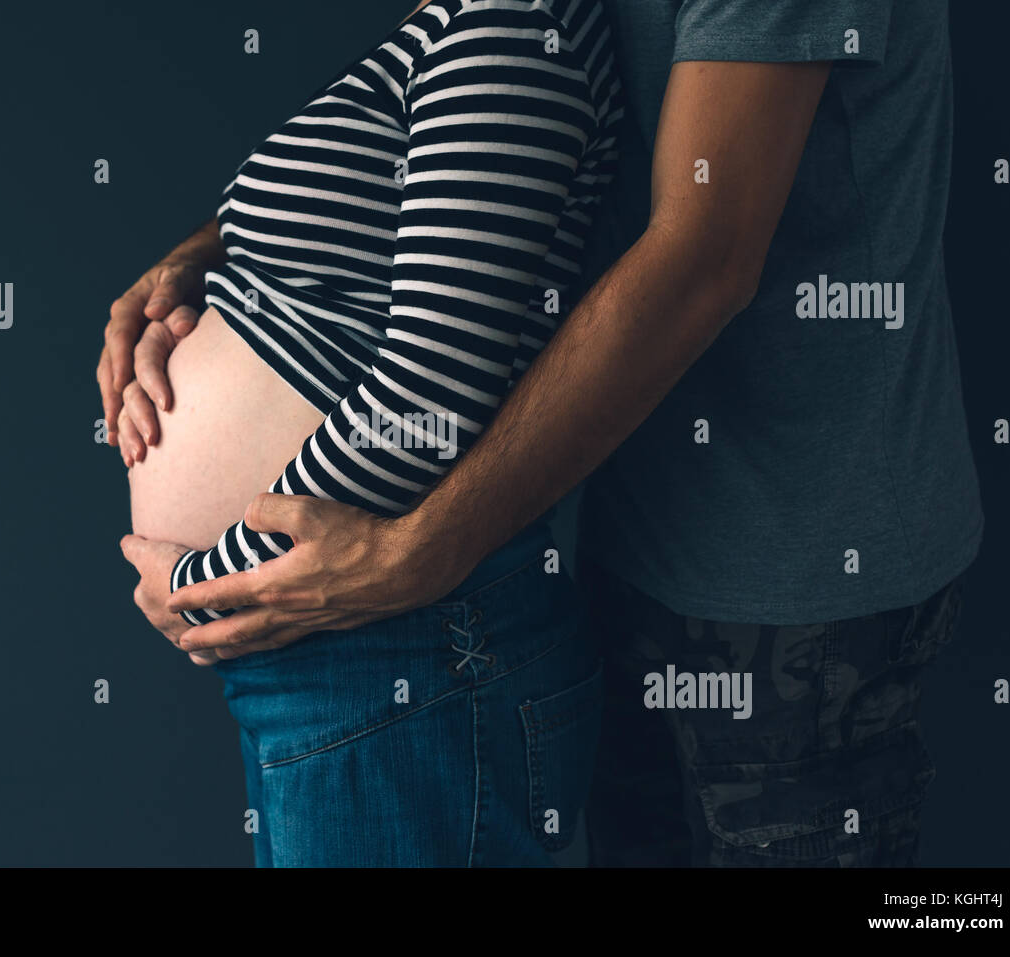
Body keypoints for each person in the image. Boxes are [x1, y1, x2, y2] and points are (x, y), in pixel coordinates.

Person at [111, 0, 982, 867]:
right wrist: (229, 261)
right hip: (626, 525)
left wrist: (373, 558)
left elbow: (702, 258)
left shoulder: (520, 23)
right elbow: (438, 162)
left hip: (798, 561)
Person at [109, 0, 626, 865]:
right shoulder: (456, 25)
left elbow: (428, 394)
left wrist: (214, 579)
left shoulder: (508, 30)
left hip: (403, 652)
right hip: (344, 660)